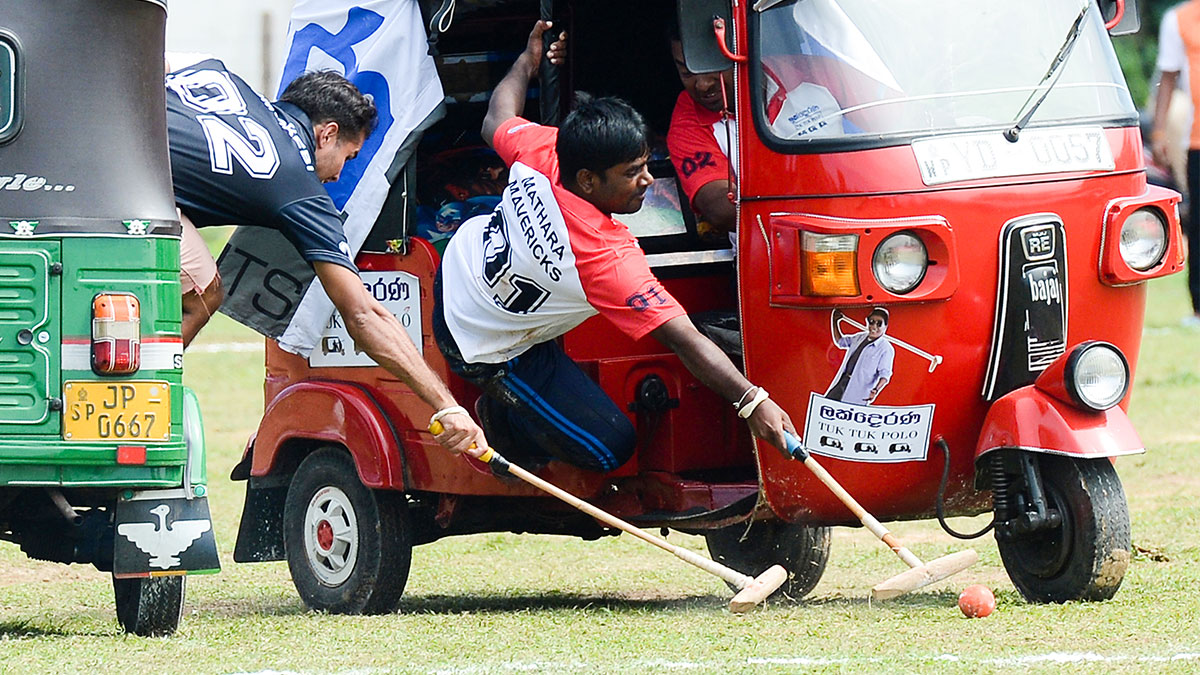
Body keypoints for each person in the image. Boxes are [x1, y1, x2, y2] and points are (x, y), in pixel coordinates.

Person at [433, 21, 795, 472]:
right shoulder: (605, 259)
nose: (648, 180)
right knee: (609, 449)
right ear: (588, 179)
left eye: (646, 164)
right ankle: (502, 418)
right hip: (481, 336)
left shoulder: (548, 149)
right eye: (632, 173)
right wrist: (753, 401)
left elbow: (496, 118)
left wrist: (526, 62)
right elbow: (684, 338)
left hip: (463, 264)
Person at [164, 58, 487, 455]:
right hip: (120, 186)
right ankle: (134, 405)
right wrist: (447, 405)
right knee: (204, 294)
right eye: (349, 157)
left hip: (85, 137)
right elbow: (363, 316)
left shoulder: (225, 77)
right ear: (327, 133)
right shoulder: (297, 183)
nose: (336, 176)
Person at [1152, 1, 1200, 327]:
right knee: (1198, 225)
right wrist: (1158, 132)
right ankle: (1198, 307)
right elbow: (1167, 78)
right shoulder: (1180, 19)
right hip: (1198, 139)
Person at [665, 33, 737, 240]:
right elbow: (722, 210)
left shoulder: (803, 71)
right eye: (687, 73)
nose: (702, 84)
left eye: (710, 65)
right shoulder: (686, 124)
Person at [825, 308, 894, 405]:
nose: (874, 326)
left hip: (858, 391)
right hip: (842, 382)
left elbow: (885, 375)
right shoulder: (859, 337)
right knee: (827, 406)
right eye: (871, 322)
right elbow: (840, 341)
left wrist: (875, 390)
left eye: (879, 324)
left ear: (885, 326)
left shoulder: (886, 349)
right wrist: (835, 322)